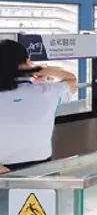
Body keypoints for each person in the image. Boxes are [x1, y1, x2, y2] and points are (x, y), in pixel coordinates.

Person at [0, 39, 78, 173]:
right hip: (42, 169)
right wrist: (41, 70)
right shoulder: (48, 92)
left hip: (3, 169)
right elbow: (71, 79)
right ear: (26, 63)